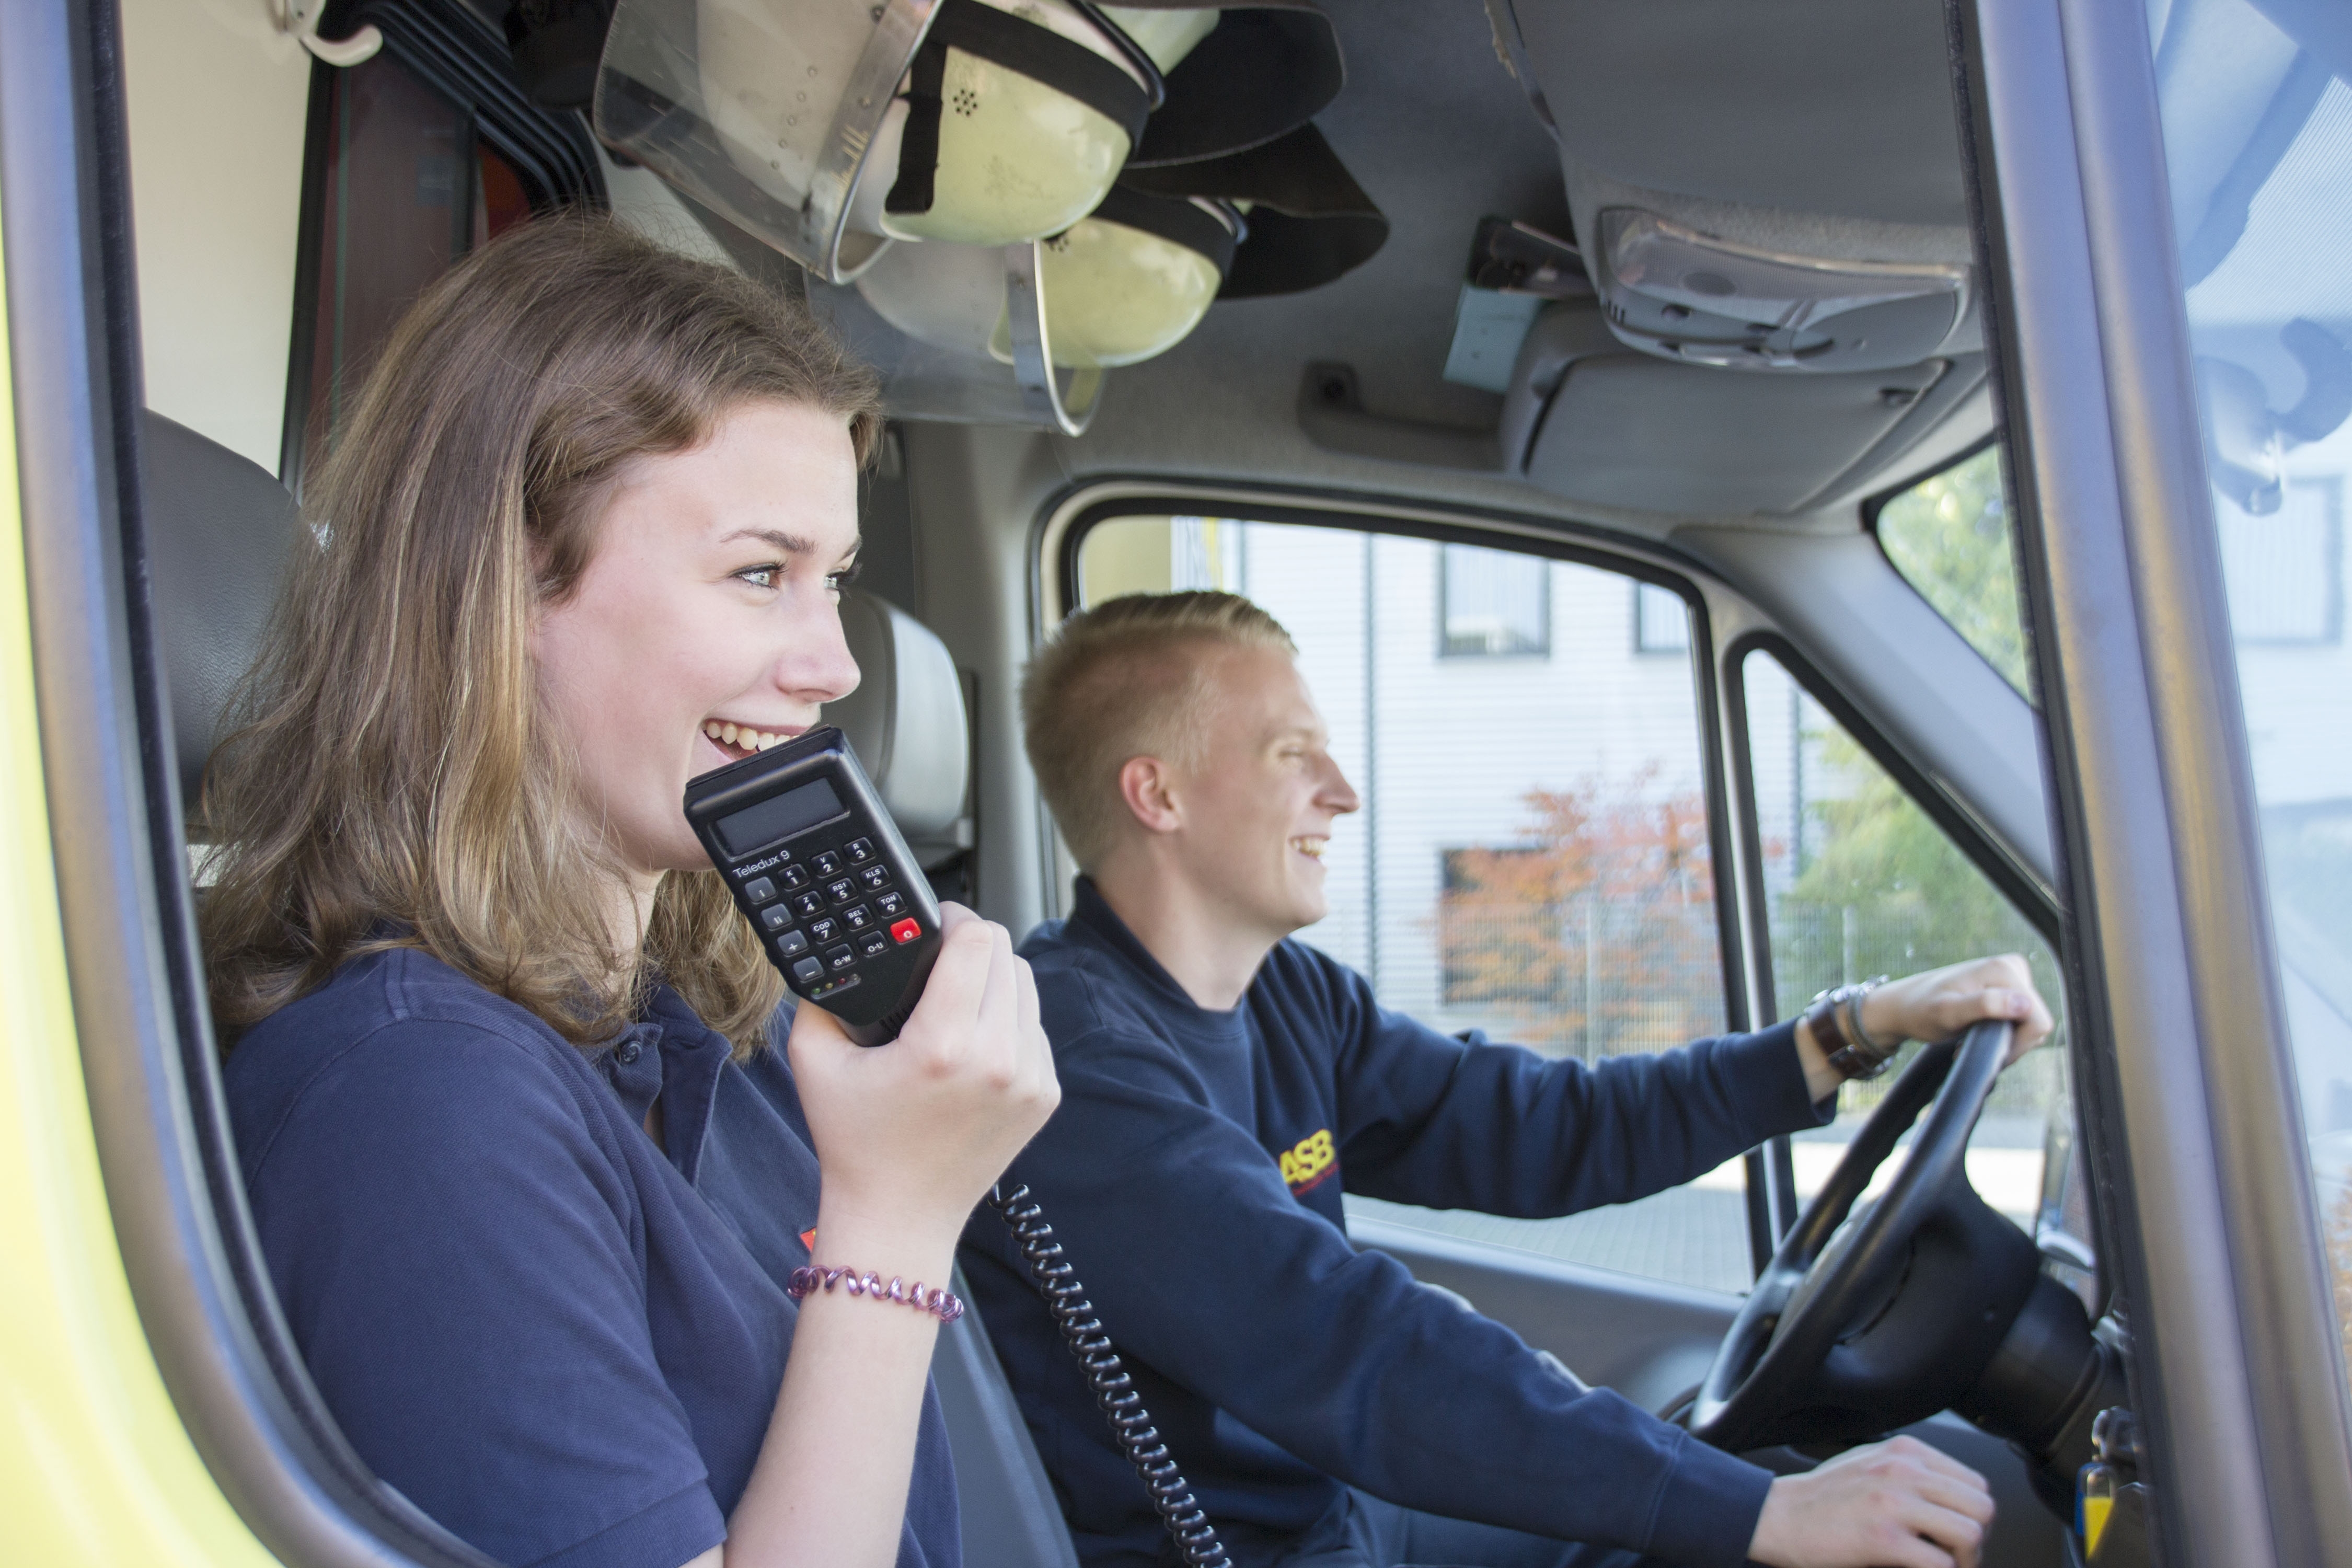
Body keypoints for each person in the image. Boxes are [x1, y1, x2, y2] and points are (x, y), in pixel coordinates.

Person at [204, 216, 1057, 1568]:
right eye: (761, 574)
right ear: (502, 589)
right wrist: (895, 1220)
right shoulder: (418, 1103)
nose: (835, 664)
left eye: (833, 582)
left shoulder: (724, 1028)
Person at [960, 591, 2056, 1568]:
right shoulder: (1074, 1061)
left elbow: (1554, 1127)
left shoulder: (1290, 996)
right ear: (1158, 794)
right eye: (1296, 755)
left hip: (1335, 1513)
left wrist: (1854, 1029)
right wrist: (1761, 1515)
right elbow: (1347, 1341)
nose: (1343, 793)